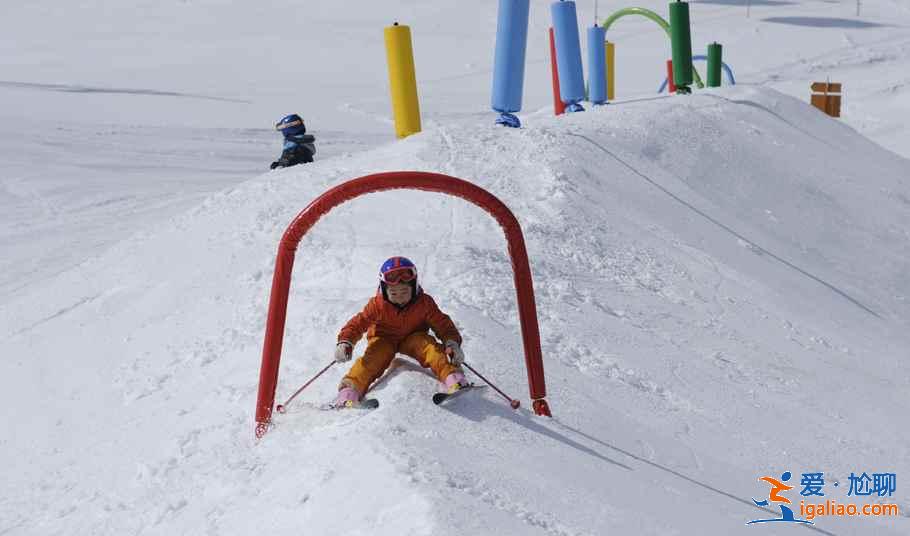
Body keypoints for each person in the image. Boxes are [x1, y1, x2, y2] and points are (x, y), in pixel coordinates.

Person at [332, 257, 468, 407]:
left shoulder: (424, 303)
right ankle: (349, 393)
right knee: (372, 359)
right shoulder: (378, 305)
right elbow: (358, 323)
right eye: (394, 293)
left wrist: (452, 342)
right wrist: (346, 341)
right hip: (384, 339)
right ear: (384, 290)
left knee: (432, 349)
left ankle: (454, 378)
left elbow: (443, 324)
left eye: (404, 292)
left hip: (413, 338)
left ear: (414, 287)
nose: (400, 298)